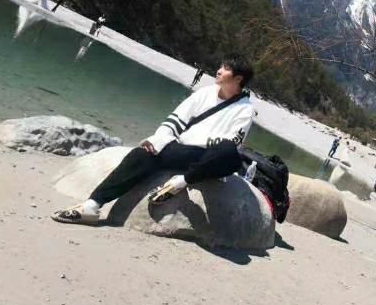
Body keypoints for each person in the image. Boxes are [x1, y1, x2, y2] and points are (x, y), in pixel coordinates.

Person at [52, 53, 255, 225]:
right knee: (141, 155)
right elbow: (175, 120)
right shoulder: (205, 93)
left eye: (226, 68)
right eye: (221, 66)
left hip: (209, 157)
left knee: (229, 154)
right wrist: (158, 140)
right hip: (183, 150)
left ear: (238, 78)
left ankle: (179, 183)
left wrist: (202, 147)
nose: (219, 70)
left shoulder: (245, 109)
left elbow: (232, 143)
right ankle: (92, 205)